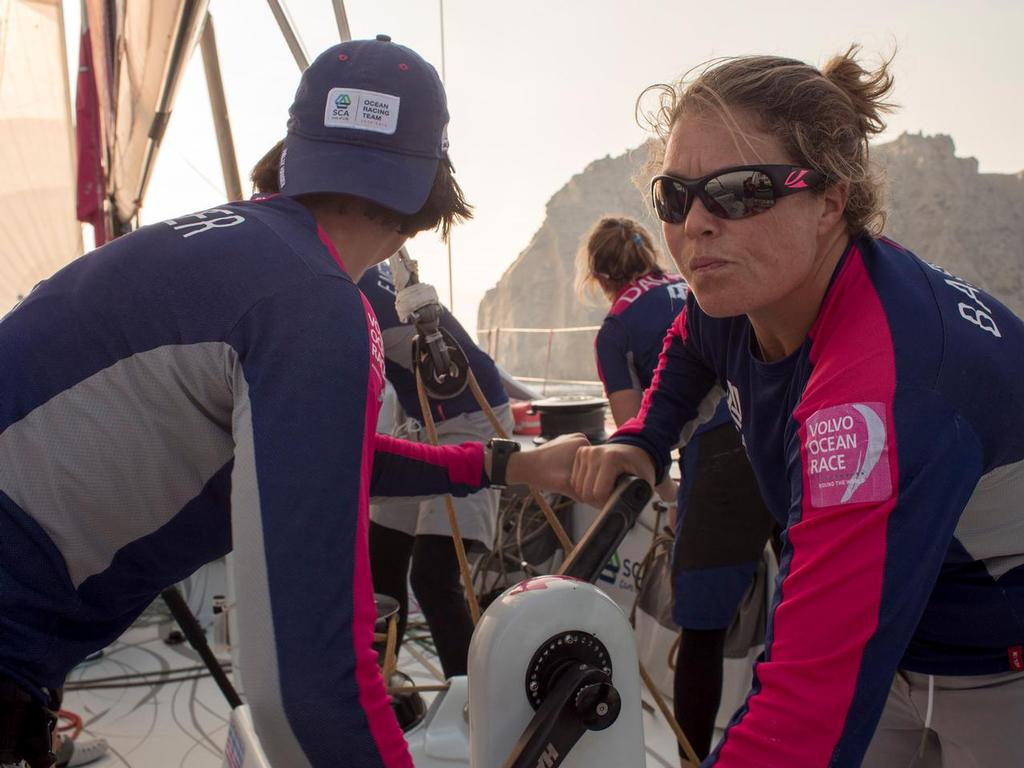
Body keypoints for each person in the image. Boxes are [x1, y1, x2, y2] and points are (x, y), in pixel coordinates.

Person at [0, 37, 581, 768]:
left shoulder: (217, 246)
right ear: (434, 191)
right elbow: (306, 686)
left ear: (294, 152)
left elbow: (326, 459)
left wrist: (507, 466)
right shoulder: (318, 304)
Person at [570, 46, 1024, 767]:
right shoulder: (736, 291)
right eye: (675, 197)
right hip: (897, 642)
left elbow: (807, 722)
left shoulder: (881, 388)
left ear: (831, 201)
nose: (696, 226)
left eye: (740, 191)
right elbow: (688, 347)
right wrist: (647, 439)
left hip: (1000, 667)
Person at [577, 215, 774, 761]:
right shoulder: (692, 285)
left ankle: (691, 758)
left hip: (721, 456)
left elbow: (636, 432)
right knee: (806, 607)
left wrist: (667, 500)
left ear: (597, 276)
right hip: (785, 425)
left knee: (702, 631)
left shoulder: (615, 329)